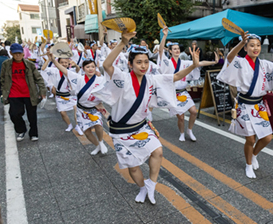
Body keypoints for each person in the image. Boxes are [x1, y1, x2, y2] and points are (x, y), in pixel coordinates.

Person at [93, 29, 200, 205]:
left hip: (141, 126)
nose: (143, 66)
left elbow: (174, 77)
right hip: (121, 130)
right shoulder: (122, 78)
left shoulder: (152, 80)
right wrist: (122, 42)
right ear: (130, 64)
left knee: (158, 151)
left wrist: (193, 66)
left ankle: (151, 184)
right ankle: (143, 187)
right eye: (139, 62)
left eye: (145, 62)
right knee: (133, 167)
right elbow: (106, 65)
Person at [216, 33, 273, 179]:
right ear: (245, 47)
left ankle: (254, 154)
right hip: (244, 105)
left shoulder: (264, 64)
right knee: (250, 139)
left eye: (258, 45)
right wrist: (239, 44)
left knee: (267, 137)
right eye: (251, 45)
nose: (255, 48)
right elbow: (230, 59)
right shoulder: (240, 62)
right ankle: (248, 164)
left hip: (258, 106)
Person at [158, 27, 219, 142]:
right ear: (170, 51)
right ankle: (181, 133)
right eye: (174, 49)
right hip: (173, 93)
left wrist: (214, 62)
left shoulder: (185, 63)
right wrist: (165, 36)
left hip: (183, 92)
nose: (176, 50)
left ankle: (189, 130)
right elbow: (161, 51)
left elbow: (199, 64)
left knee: (194, 112)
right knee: (180, 117)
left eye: (178, 49)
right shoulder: (166, 62)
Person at [49, 54, 108, 155]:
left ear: (95, 68)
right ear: (83, 68)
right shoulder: (78, 78)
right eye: (88, 67)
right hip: (81, 109)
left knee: (98, 125)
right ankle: (97, 146)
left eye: (93, 67)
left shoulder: (100, 80)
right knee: (87, 131)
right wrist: (54, 61)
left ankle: (101, 142)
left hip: (94, 108)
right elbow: (65, 70)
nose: (90, 69)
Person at [0, 43, 47, 141]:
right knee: (14, 114)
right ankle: (21, 130)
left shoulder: (29, 64)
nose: (18, 55)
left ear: (23, 53)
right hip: (14, 93)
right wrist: (4, 91)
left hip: (29, 93)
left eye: (20, 53)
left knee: (32, 115)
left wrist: (42, 91)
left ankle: (33, 133)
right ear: (11, 53)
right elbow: (3, 79)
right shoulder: (6, 64)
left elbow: (39, 78)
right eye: (15, 53)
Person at [41, 55, 83, 135]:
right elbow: (43, 69)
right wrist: (49, 60)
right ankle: (69, 125)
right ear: (58, 63)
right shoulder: (54, 71)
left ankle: (78, 126)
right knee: (62, 112)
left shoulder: (71, 71)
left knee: (76, 111)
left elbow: (78, 72)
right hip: (60, 95)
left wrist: (76, 65)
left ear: (68, 63)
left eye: (65, 63)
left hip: (71, 95)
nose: (63, 64)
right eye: (61, 62)